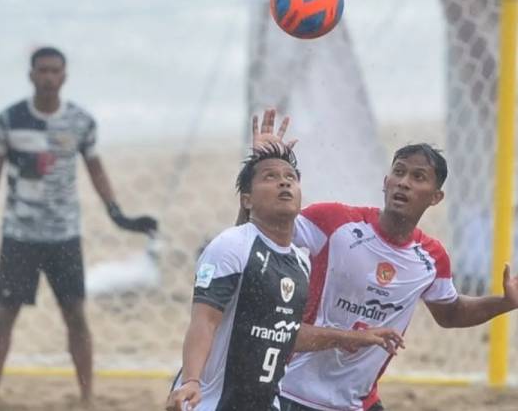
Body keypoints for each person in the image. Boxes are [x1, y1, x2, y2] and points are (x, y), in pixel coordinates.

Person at [250, 109, 518, 411]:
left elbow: (451, 314)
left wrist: (506, 302)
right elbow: (252, 236)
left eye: (418, 177)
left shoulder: (431, 258)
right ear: (385, 181)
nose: (404, 182)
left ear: (435, 197)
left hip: (358, 403)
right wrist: (261, 169)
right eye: (399, 172)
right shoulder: (334, 222)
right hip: (292, 392)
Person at [0, 46, 158, 407]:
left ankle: (86, 397)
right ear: (31, 75)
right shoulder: (10, 120)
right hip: (19, 235)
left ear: (64, 76)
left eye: (55, 71)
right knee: (5, 314)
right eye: (42, 71)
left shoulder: (81, 122)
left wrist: (117, 213)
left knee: (76, 315)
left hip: (64, 236)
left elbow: (96, 169)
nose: (49, 77)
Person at [165, 144, 404, 411]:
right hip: (209, 403)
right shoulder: (230, 245)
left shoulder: (300, 262)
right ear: (247, 200)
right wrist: (191, 380)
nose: (283, 182)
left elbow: (286, 334)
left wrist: (353, 337)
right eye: (270, 176)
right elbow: (204, 321)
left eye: (290, 177)